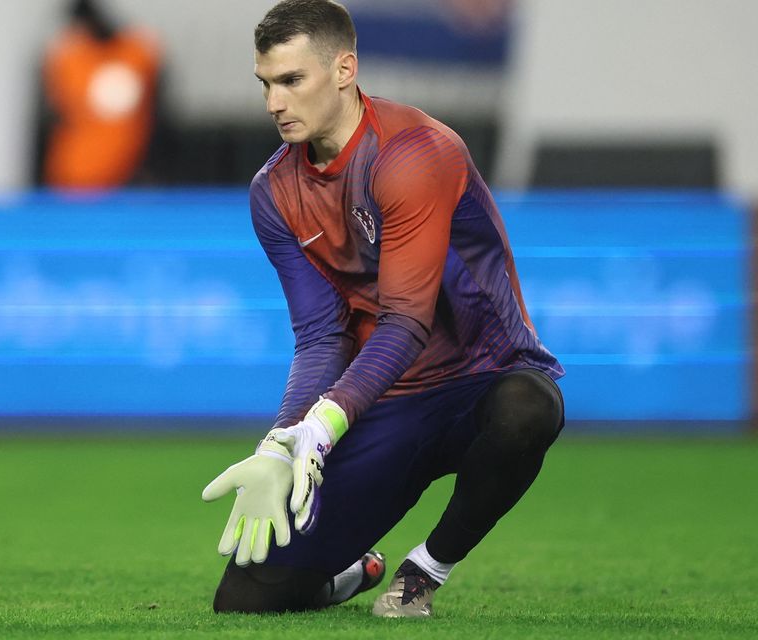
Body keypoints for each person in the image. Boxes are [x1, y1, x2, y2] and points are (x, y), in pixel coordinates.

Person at [200, 0, 565, 618]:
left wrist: (322, 425)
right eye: (266, 84)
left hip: (481, 379)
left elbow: (405, 321)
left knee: (529, 408)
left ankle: (424, 571)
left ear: (344, 70)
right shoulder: (273, 192)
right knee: (246, 598)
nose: (274, 103)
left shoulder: (415, 152)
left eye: (292, 80)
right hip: (389, 398)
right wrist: (282, 442)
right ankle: (353, 573)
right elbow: (322, 335)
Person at [36, 0, 163, 189]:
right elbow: (54, 114)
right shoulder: (67, 59)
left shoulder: (138, 52)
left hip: (128, 168)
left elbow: (158, 110)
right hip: (75, 173)